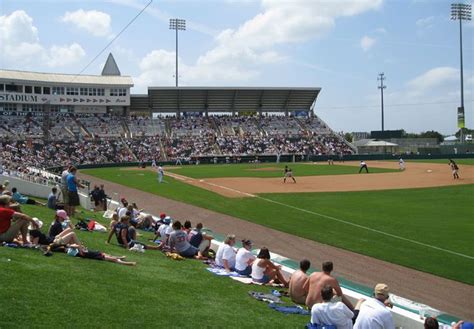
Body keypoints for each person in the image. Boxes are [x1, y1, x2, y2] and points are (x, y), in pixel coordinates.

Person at [65, 244, 136, 266]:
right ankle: (128, 263)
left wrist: (81, 247)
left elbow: (79, 248)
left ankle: (120, 257)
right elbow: (81, 252)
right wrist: (77, 246)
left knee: (109, 255)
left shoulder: (75, 250)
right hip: (96, 256)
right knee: (113, 259)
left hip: (95, 253)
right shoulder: (75, 252)